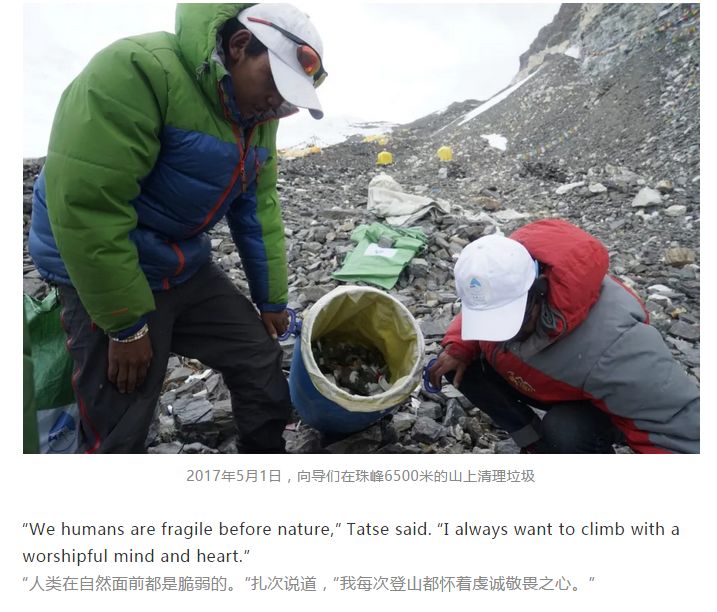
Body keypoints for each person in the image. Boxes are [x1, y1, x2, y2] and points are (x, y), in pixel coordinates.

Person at [28, 3, 328, 453]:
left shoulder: (257, 117)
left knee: (257, 355)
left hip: (180, 261)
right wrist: (126, 327)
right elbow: (90, 208)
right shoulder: (136, 71)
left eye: (289, 99)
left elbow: (256, 207)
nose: (277, 104)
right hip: (99, 267)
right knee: (125, 403)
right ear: (239, 45)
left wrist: (272, 300)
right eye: (275, 85)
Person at [428, 219, 699, 453]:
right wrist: (459, 347)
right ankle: (535, 444)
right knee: (455, 364)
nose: (497, 336)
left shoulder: (615, 343)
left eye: (508, 322)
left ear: (540, 290)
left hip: (587, 405)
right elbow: (486, 305)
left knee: (566, 430)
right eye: (487, 322)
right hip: (538, 381)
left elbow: (677, 428)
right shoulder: (504, 274)